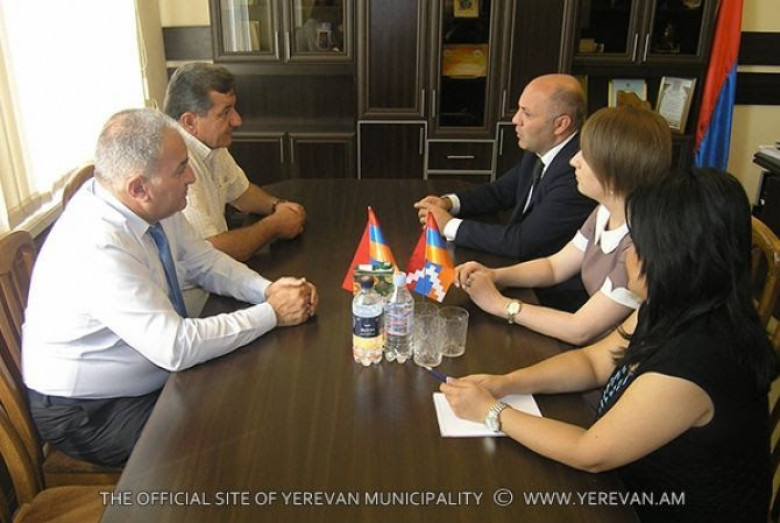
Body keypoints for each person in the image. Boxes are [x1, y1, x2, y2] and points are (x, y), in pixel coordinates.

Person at [441, 168, 776, 522]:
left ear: (673, 259)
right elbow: (593, 362)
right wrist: (508, 382)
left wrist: (492, 412)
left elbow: (589, 453)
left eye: (637, 246)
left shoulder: (699, 358)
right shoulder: (672, 302)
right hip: (631, 483)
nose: (627, 257)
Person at [22, 109, 318, 467]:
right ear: (138, 188)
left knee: (258, 392)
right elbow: (175, 346)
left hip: (151, 371)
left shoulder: (145, 203)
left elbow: (203, 261)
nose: (191, 176)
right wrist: (271, 314)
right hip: (92, 409)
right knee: (233, 440)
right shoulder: (97, 244)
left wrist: (267, 291)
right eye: (180, 169)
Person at [456, 106, 671, 345]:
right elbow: (554, 267)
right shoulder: (605, 210)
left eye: (586, 155)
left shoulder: (638, 247)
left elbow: (579, 329)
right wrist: (495, 275)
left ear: (614, 172)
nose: (573, 161)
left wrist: (499, 304)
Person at [164, 62, 306, 314]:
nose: (237, 120)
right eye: (225, 112)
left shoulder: (210, 144)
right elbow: (212, 252)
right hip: (198, 304)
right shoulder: (176, 164)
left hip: (220, 280)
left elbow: (241, 192)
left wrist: (278, 206)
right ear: (190, 121)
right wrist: (275, 225)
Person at [414, 74, 595, 263]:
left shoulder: (577, 173)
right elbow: (499, 192)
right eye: (519, 109)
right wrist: (449, 203)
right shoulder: (541, 148)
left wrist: (448, 225)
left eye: (527, 114)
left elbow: (522, 242)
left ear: (560, 125)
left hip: (543, 275)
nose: (515, 119)